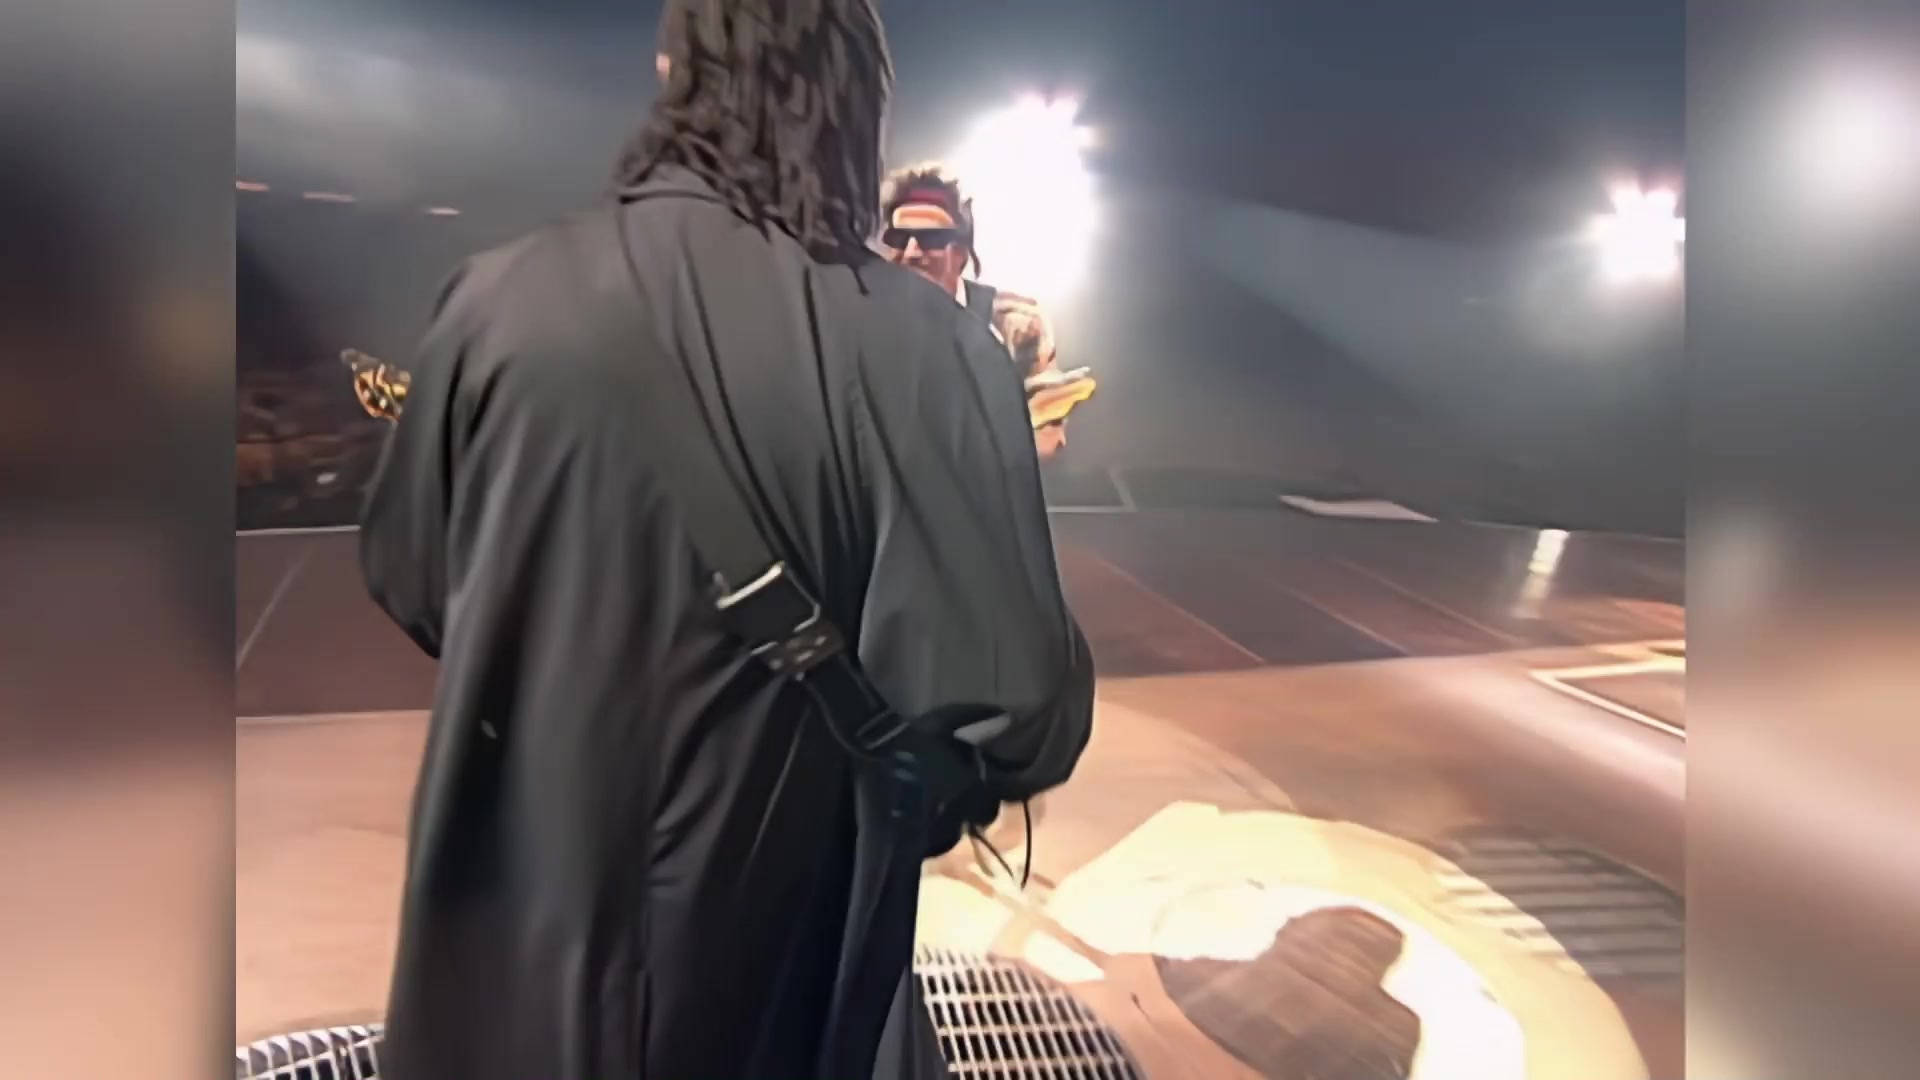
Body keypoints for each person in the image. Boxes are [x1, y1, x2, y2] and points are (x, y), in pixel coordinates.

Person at [356, 1, 1096, 1077]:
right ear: (855, 110)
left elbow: (412, 576)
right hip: (774, 989)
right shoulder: (927, 349)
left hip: (506, 991)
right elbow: (1025, 706)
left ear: (674, 74)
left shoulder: (493, 302)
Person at [878, 164, 1094, 459]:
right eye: (899, 238)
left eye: (930, 238)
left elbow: (1046, 438)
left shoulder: (1017, 323)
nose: (912, 252)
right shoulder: (865, 327)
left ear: (961, 252)